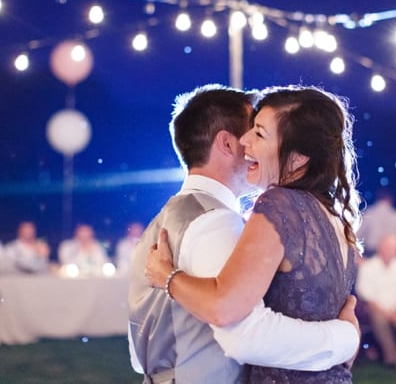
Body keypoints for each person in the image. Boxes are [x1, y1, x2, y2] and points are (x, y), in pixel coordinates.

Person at [129, 85, 360, 383]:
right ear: (225, 143)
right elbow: (247, 333)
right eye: (249, 130)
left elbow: (237, 327)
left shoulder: (171, 218)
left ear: (298, 157)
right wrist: (346, 338)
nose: (247, 141)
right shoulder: (331, 217)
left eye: (259, 133)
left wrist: (168, 277)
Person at [356, 233, 396, 370]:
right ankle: (393, 359)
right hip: (378, 309)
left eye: (394, 247)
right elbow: (369, 298)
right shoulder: (368, 267)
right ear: (380, 248)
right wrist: (391, 316)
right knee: (379, 319)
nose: (390, 250)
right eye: (388, 247)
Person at [356, 189, 396, 256]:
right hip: (392, 256)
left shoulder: (368, 213)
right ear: (391, 200)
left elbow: (356, 236)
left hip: (370, 255)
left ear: (377, 199)